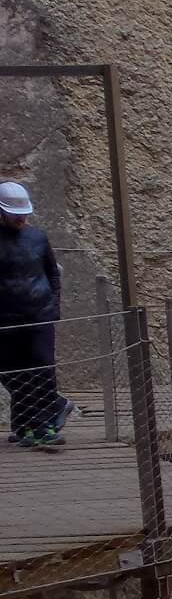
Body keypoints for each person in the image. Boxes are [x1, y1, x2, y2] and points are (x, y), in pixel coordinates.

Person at [0, 181, 71, 448]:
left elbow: (53, 273)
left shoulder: (38, 237)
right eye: (15, 214)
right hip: (6, 321)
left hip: (40, 315)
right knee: (13, 373)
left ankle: (44, 426)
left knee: (42, 370)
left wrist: (54, 307)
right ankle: (24, 424)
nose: (21, 218)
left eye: (23, 214)